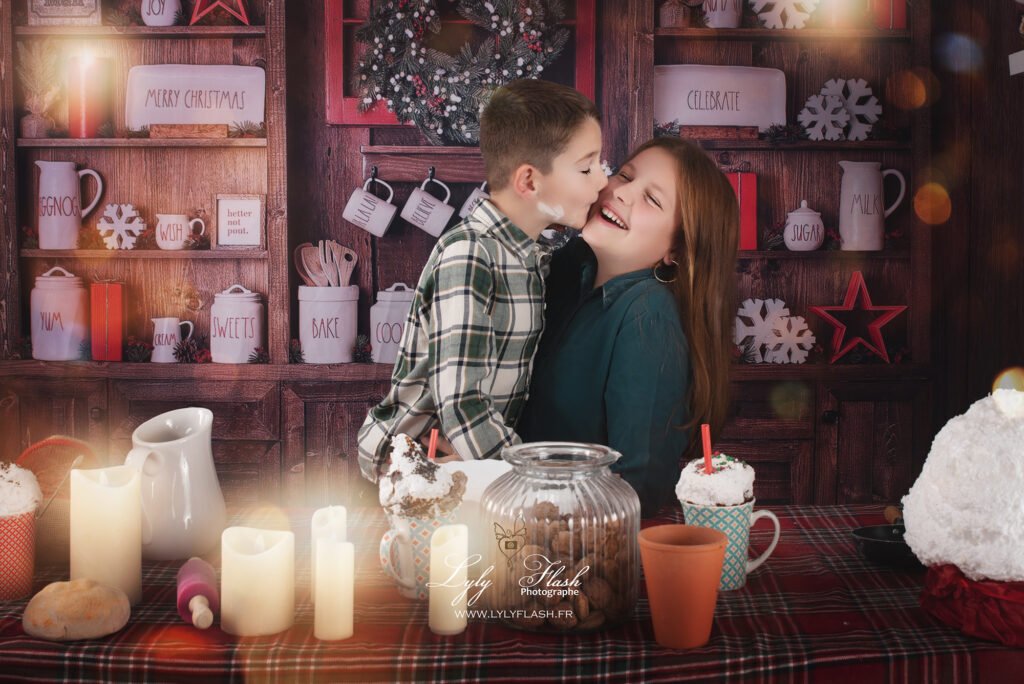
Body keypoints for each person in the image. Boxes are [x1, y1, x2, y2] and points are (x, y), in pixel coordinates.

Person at [357, 79, 608, 483]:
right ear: (529, 182)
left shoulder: (530, 257)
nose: (601, 181)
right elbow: (461, 401)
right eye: (586, 167)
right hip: (418, 465)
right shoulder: (472, 254)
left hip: (470, 463)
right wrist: (528, 481)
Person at [518, 137, 739, 515]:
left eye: (653, 199)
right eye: (624, 174)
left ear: (678, 250)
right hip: (520, 519)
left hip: (579, 544)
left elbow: (640, 487)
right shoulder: (566, 273)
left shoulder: (648, 314)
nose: (621, 192)